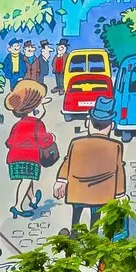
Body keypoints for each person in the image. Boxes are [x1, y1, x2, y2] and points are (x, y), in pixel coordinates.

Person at [52, 94, 128, 227]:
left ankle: (74, 234)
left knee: (76, 215)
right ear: (111, 126)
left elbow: (67, 163)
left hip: (77, 190)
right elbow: (119, 171)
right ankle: (93, 237)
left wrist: (61, 181)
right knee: (96, 216)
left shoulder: (76, 143)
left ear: (88, 122)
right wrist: (120, 194)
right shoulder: (116, 146)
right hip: (101, 193)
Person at [2, 79, 55, 217]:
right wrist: (52, 137)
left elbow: (9, 142)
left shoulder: (18, 125)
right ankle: (17, 206)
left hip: (14, 158)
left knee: (27, 178)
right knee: (26, 180)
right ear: (35, 108)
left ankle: (32, 199)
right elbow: (43, 141)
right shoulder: (37, 123)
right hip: (30, 158)